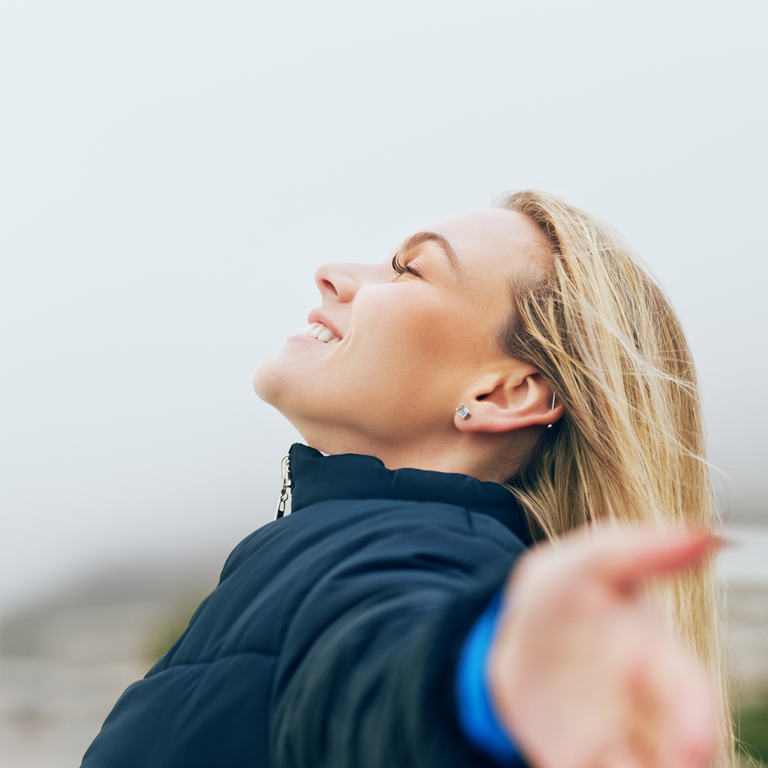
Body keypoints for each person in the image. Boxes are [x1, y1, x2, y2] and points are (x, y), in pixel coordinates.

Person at [80, 191, 732, 768]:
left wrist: (481, 685)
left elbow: (379, 671)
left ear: (503, 393)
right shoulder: (324, 546)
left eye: (410, 268)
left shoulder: (401, 554)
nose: (331, 274)